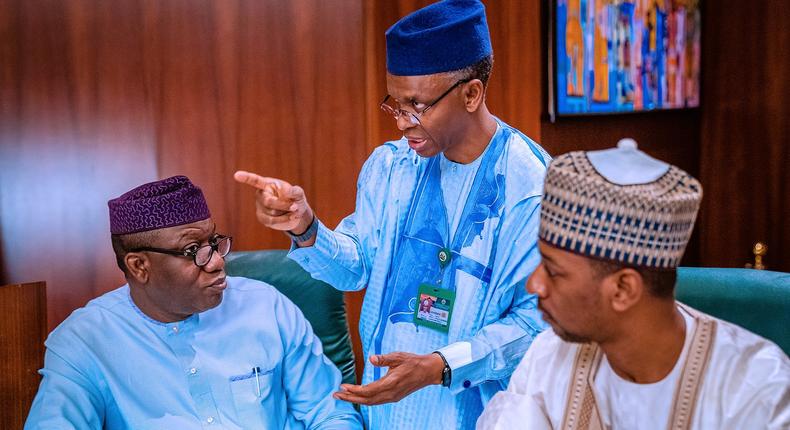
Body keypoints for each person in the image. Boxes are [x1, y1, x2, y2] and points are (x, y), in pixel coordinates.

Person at [234, 1, 550, 428]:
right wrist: (306, 227)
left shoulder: (531, 188)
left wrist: (440, 366)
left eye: (416, 106)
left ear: (472, 93)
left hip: (482, 415)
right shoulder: (390, 167)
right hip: (387, 414)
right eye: (395, 104)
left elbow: (537, 324)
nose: (401, 123)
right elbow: (357, 268)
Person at [477, 141, 790, 429]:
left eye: (554, 271)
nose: (534, 285)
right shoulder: (550, 356)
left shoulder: (755, 387)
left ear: (624, 289)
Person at [25, 176, 362, 429]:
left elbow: (331, 413)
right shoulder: (85, 341)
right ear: (139, 266)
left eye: (214, 242)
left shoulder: (266, 307)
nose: (216, 261)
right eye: (193, 251)